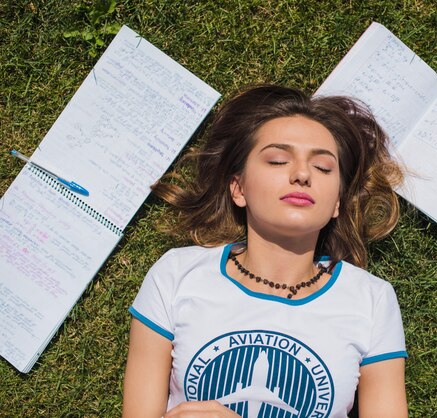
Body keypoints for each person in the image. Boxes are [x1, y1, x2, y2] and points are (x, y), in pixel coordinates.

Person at [122, 85, 408, 418]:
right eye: (277, 160)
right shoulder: (176, 275)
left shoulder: (372, 300)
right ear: (239, 188)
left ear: (336, 204)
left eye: (324, 168)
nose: (302, 174)